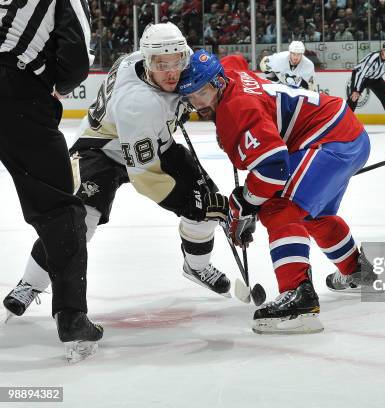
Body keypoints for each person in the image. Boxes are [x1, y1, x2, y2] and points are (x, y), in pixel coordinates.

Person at [3, 23, 231, 321]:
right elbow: (145, 176)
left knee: (208, 202)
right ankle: (30, 283)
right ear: (148, 63)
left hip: (154, 141)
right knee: (78, 221)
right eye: (162, 65)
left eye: (177, 61)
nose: (172, 72)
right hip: (101, 150)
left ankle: (197, 266)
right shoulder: (138, 104)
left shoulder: (146, 60)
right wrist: (185, 202)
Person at [178, 50, 376, 334]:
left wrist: (244, 204)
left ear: (219, 83)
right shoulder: (228, 73)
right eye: (190, 97)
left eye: (203, 93)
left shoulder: (237, 111)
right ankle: (356, 270)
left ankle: (299, 300)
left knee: (280, 209)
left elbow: (273, 171)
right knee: (311, 215)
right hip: (343, 132)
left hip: (329, 139)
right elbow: (236, 58)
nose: (198, 104)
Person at [0, 0, 102, 361]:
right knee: (61, 209)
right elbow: (75, 58)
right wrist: (55, 84)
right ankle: (72, 316)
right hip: (16, 94)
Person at [348, 41, 385, 131]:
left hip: (376, 79)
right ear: (383, 50)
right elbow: (361, 74)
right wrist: (356, 90)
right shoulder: (373, 57)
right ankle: (343, 122)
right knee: (354, 98)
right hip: (361, 76)